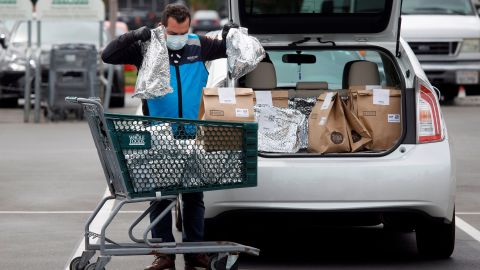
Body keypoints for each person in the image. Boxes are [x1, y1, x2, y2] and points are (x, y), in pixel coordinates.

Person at [101, 3, 237, 270]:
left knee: (194, 196)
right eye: (174, 32)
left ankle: (194, 251)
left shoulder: (200, 45)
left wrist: (232, 35)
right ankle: (163, 253)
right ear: (163, 27)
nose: (179, 38)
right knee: (161, 195)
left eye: (184, 32)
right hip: (159, 134)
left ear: (190, 27)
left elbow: (232, 49)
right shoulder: (147, 47)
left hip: (191, 134)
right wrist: (134, 35)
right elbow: (108, 55)